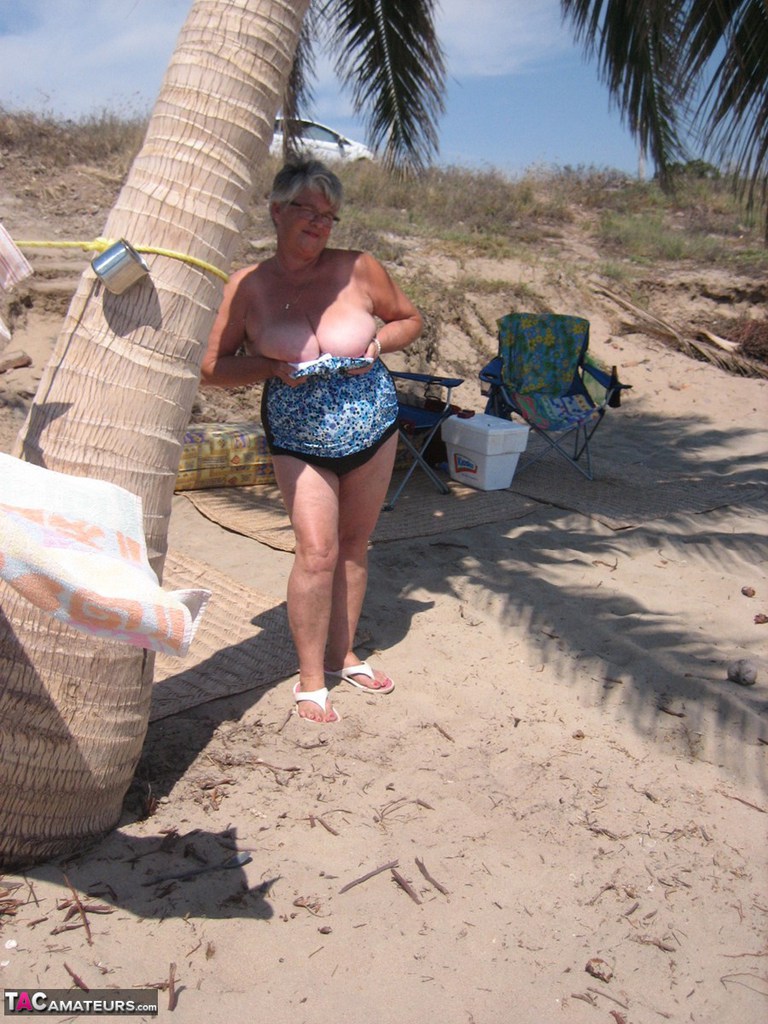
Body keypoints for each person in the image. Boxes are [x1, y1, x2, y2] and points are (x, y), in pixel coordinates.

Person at [200, 159, 423, 724]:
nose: (321, 223)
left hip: (373, 425)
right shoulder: (247, 286)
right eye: (309, 210)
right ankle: (310, 678)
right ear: (278, 210)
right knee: (317, 551)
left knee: (354, 545)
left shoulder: (359, 268)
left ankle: (343, 655)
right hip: (298, 436)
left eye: (330, 215)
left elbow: (409, 320)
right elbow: (211, 366)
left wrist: (377, 343)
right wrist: (271, 367)